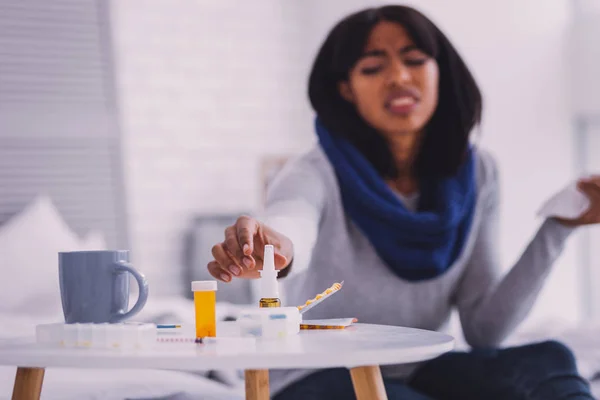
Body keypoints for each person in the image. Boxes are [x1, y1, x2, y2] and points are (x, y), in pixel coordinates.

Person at [207, 5, 600, 400]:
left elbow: (485, 331)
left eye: (414, 60)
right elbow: (293, 220)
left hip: (421, 369)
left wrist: (559, 227)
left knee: (549, 360)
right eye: (372, 68)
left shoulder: (478, 173)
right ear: (346, 88)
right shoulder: (313, 171)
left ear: (439, 72)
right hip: (319, 375)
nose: (398, 77)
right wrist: (275, 248)